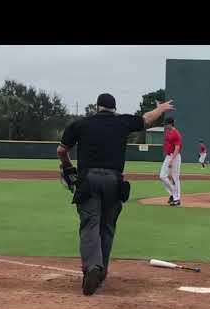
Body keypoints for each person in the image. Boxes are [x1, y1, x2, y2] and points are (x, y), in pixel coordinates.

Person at [57, 93, 174, 296]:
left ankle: (92, 267)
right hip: (114, 181)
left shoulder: (80, 125)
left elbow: (61, 150)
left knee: (90, 225)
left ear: (97, 107)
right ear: (114, 108)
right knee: (107, 227)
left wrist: (68, 166)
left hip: (89, 180)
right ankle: (101, 272)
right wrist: (161, 109)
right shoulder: (122, 122)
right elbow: (146, 119)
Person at [159, 117, 183, 206]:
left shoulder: (176, 134)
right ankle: (173, 194)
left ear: (170, 124)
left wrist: (172, 160)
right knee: (162, 176)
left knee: (175, 178)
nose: (164, 126)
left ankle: (177, 198)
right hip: (168, 156)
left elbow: (177, 148)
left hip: (175, 157)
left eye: (165, 124)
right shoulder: (168, 132)